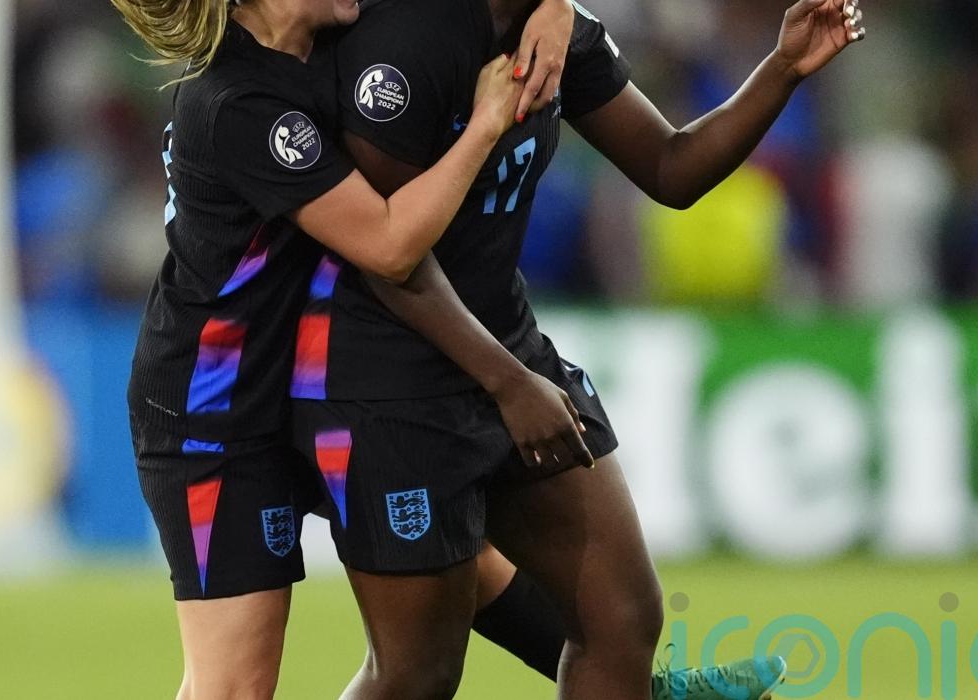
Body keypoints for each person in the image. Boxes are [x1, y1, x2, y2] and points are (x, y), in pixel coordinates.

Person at [290, 0, 867, 698]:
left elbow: (670, 166)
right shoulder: (408, 38)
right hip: (387, 373)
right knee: (416, 673)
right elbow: (384, 254)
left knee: (620, 616)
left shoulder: (560, 30)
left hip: (504, 348)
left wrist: (782, 68)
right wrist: (508, 383)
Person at [107, 0, 556, 696]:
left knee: (465, 570)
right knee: (232, 687)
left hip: (312, 384)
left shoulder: (327, 48)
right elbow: (389, 244)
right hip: (217, 417)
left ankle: (644, 683)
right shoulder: (240, 103)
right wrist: (485, 125)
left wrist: (556, 7)